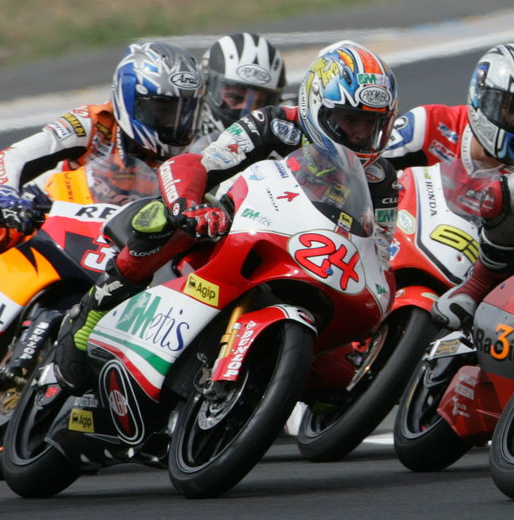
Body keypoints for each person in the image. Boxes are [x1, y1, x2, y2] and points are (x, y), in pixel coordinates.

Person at [51, 41, 400, 391]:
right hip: (226, 227)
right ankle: (96, 305)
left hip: (308, 259)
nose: (358, 133)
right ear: (317, 106)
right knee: (158, 217)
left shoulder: (382, 179)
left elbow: (380, 250)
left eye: (371, 124)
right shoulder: (274, 124)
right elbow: (199, 163)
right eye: (351, 119)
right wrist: (187, 205)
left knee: (343, 380)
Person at [382, 43, 514, 329]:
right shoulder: (431, 123)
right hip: (387, 246)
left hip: (465, 279)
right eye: (513, 109)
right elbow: (365, 165)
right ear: (481, 98)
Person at [0, 40, 204, 248]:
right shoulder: (93, 122)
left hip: (122, 243)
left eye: (185, 112)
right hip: (49, 223)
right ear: (130, 99)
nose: (174, 123)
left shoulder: (193, 152)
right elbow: (13, 156)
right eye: (163, 110)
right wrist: (7, 199)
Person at [195, 31, 287, 144]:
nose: (247, 111)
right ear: (206, 87)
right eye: (235, 97)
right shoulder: (183, 137)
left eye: (259, 102)